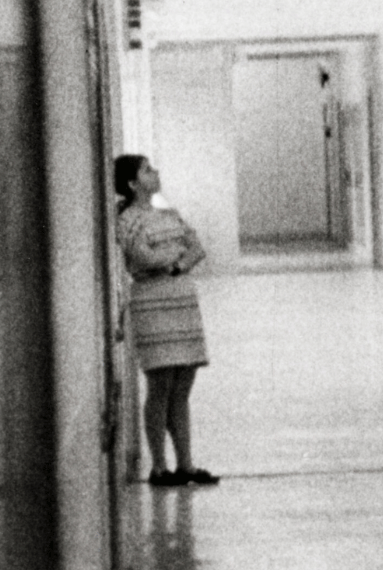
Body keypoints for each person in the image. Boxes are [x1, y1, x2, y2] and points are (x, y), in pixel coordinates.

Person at [114, 154, 220, 487]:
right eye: (147, 170)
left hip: (181, 301)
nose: (155, 172)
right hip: (151, 304)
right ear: (133, 183)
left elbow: (196, 249)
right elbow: (142, 256)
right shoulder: (126, 220)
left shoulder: (169, 214)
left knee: (182, 386)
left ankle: (186, 464)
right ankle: (159, 467)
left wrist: (173, 263)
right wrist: (175, 255)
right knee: (160, 385)